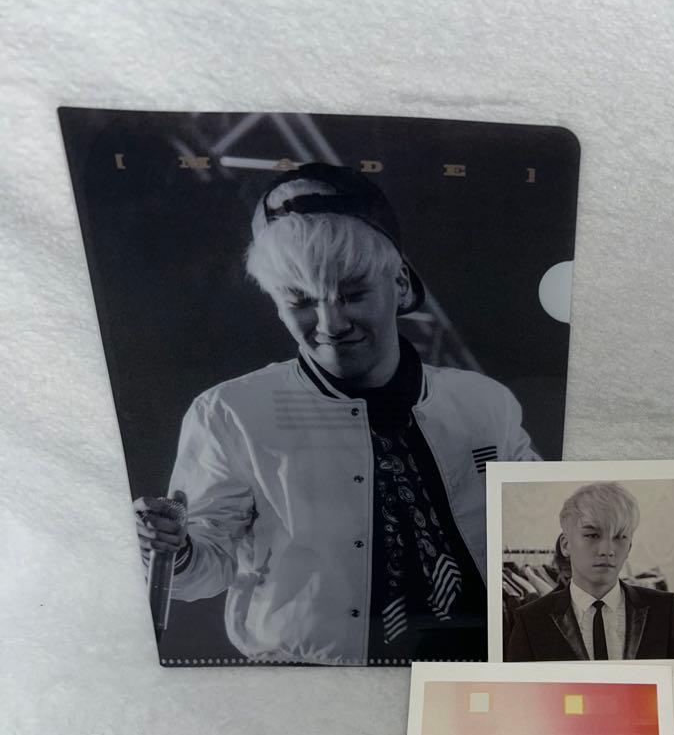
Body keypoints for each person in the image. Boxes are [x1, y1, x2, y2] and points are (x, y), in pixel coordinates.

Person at [133, 163, 539, 665]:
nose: (330, 323)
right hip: (312, 682)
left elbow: (536, 531)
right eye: (300, 301)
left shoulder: (486, 402)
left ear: (401, 283)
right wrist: (173, 549)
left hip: (472, 672)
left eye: (352, 294)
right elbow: (205, 568)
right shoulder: (230, 413)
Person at [505, 482, 674, 661]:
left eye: (620, 537)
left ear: (629, 547)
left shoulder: (663, 611)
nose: (607, 550)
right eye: (592, 535)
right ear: (565, 545)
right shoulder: (531, 621)